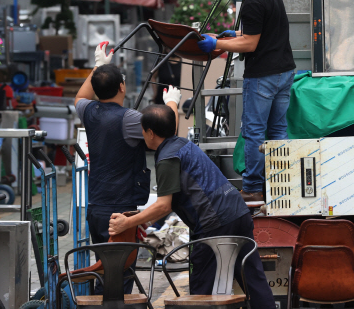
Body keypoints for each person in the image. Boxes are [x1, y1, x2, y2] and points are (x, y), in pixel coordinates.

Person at [108, 104, 275, 309]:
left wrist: (127, 223)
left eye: (143, 130)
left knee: (201, 288)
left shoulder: (167, 158)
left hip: (214, 224)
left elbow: (163, 205)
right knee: (252, 278)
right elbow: (170, 203)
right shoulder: (181, 144)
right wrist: (144, 219)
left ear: (150, 133)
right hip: (238, 212)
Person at [75, 41, 181, 293]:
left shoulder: (88, 111)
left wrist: (99, 67)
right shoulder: (129, 120)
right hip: (120, 211)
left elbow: (80, 95)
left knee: (103, 270)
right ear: (122, 86)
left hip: (96, 208)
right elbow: (168, 130)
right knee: (120, 276)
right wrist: (173, 103)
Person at [196, 0, 296, 202]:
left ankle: (252, 188)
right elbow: (261, 35)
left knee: (254, 133)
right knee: (278, 132)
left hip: (263, 76)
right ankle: (279, 186)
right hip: (284, 73)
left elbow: (251, 45)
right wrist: (233, 36)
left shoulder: (252, 0)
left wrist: (215, 44)